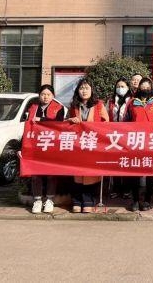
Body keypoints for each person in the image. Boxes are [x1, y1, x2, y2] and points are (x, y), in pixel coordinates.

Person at [67, 78, 109, 213]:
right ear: (77, 91)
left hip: (93, 144)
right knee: (77, 173)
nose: (84, 91)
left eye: (86, 88)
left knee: (90, 173)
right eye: (81, 88)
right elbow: (66, 123)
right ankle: (77, 200)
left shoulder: (99, 105)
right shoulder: (73, 106)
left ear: (92, 90)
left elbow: (106, 123)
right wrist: (71, 120)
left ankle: (88, 201)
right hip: (77, 145)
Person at [123, 78, 153, 211]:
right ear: (139, 88)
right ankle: (135, 200)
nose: (145, 89)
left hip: (151, 142)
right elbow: (126, 122)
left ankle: (147, 200)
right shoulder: (131, 103)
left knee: (150, 172)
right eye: (143, 86)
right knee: (134, 172)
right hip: (135, 142)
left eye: (147, 87)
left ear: (151, 89)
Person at [27, 84, 65, 214]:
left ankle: (49, 199)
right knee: (35, 173)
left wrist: (41, 120)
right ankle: (37, 200)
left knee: (51, 173)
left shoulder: (59, 108)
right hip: (35, 144)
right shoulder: (33, 108)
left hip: (52, 144)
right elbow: (27, 126)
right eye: (43, 94)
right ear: (39, 95)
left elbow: (58, 124)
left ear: (53, 96)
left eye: (48, 94)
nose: (45, 97)